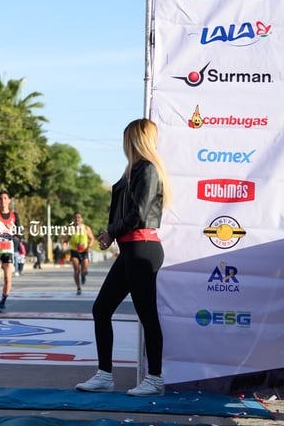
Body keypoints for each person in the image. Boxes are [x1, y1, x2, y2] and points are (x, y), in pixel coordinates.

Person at [76, 118, 171, 397]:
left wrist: (111, 231)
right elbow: (124, 211)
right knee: (101, 308)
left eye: (126, 137)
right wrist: (111, 235)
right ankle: (105, 374)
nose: (122, 143)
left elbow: (139, 215)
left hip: (142, 249)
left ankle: (155, 379)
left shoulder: (148, 170)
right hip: (130, 248)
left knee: (147, 316)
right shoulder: (133, 169)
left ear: (134, 139)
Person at [68, 212, 95, 295]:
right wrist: (64, 243)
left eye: (79, 217)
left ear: (81, 219)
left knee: (84, 270)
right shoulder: (70, 229)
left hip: (84, 251)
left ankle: (83, 275)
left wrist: (89, 246)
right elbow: (66, 238)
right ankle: (78, 287)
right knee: (76, 270)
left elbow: (92, 238)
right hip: (74, 251)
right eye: (75, 218)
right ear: (73, 219)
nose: (77, 219)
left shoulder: (86, 228)